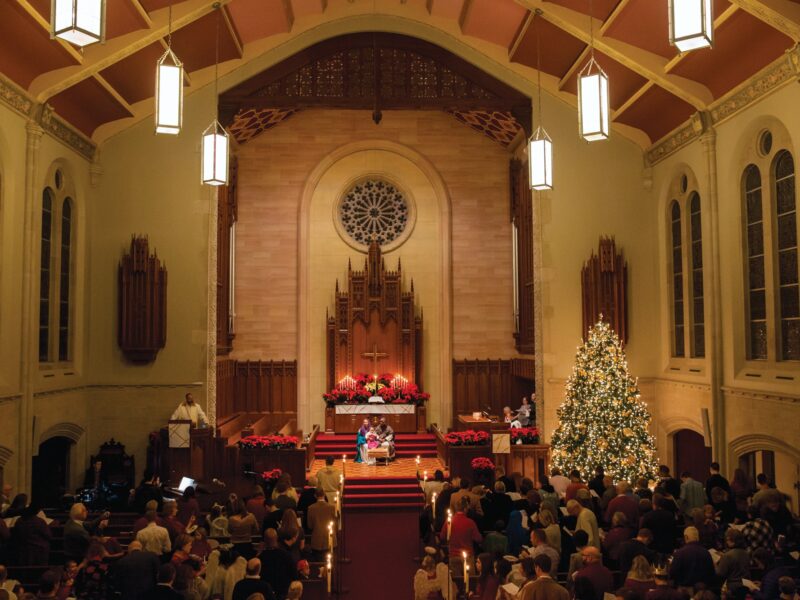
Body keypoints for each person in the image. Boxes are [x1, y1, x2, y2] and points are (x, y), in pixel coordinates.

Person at [439, 496, 482, 563]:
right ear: (465, 509)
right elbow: (479, 539)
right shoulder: (470, 522)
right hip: (468, 557)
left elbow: (442, 537)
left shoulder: (449, 521)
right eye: (467, 508)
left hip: (453, 556)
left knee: (455, 573)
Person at [258, 529, 296, 600]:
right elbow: (294, 574)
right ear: (277, 538)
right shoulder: (287, 555)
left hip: (266, 594)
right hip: (284, 593)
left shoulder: (260, 558)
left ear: (264, 541)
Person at [715, 528, 750, 596]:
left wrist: (716, 565)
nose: (727, 542)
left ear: (733, 541)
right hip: (745, 587)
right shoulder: (746, 553)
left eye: (728, 540)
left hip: (732, 589)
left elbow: (720, 574)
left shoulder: (728, 556)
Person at [307, 488, 336, 560]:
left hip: (317, 540)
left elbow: (310, 525)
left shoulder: (311, 508)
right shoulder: (332, 507)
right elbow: (335, 523)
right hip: (330, 538)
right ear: (324, 495)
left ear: (315, 496)